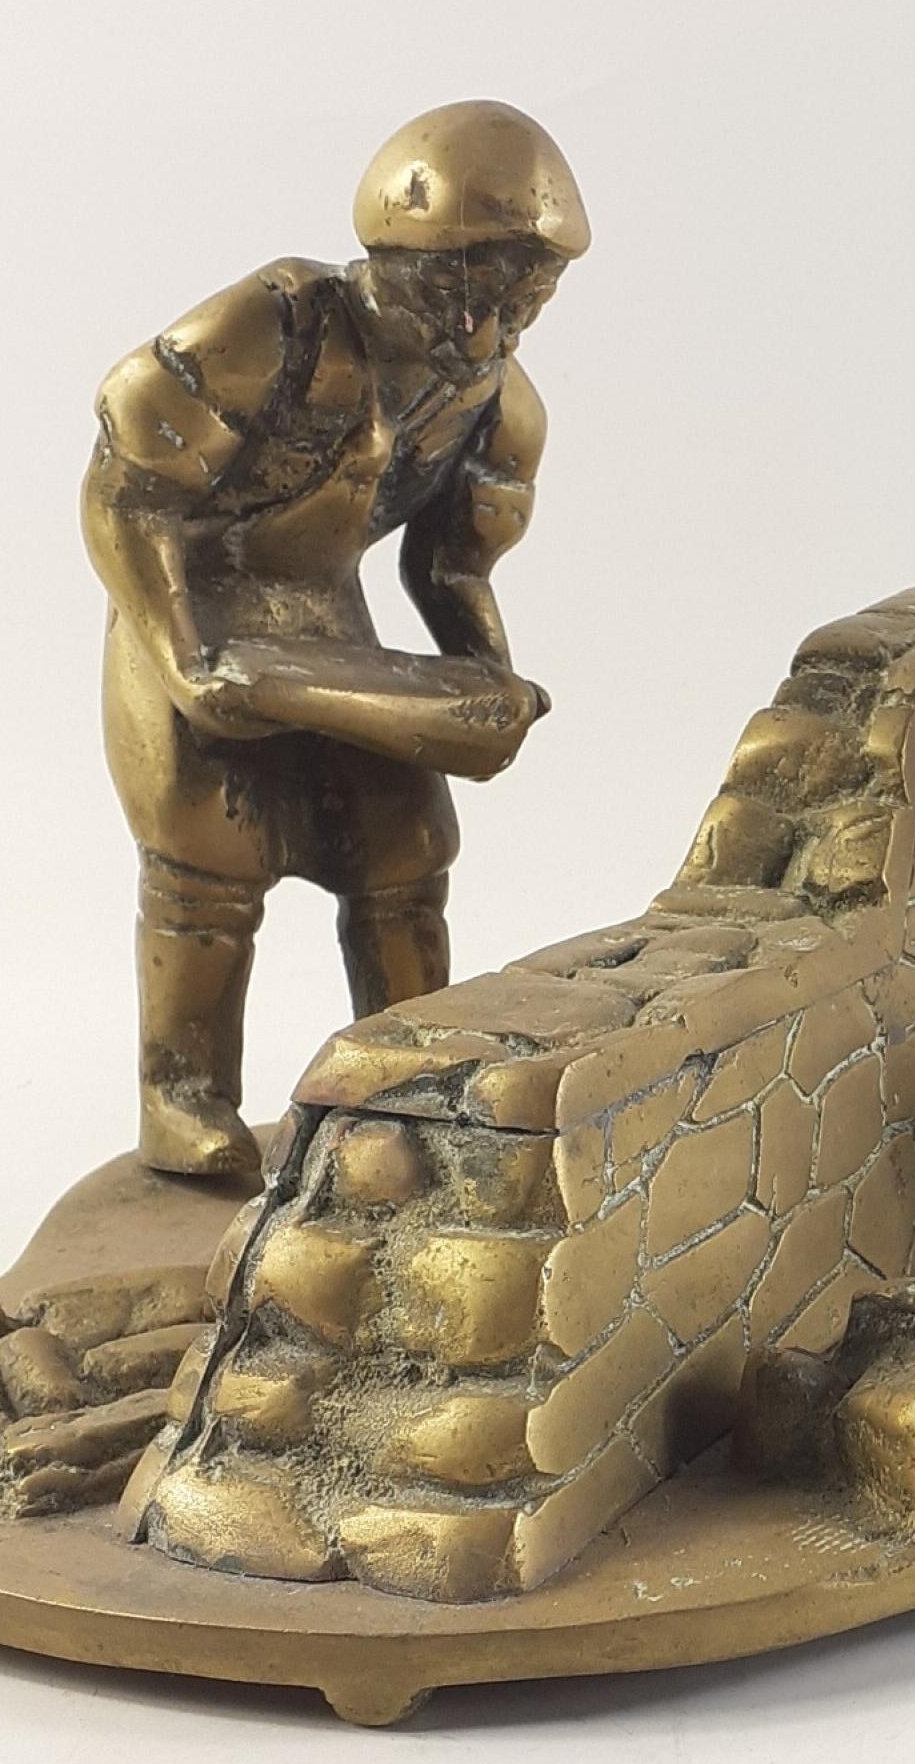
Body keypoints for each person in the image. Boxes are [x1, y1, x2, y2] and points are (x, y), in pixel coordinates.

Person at [81, 99, 588, 1185]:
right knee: (206, 860)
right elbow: (127, 492)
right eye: (459, 292)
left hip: (324, 628)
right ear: (396, 260)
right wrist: (183, 652)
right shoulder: (275, 330)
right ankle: (182, 1095)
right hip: (186, 607)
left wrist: (482, 682)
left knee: (403, 846)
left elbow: (451, 567)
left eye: (521, 301)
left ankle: (410, 1087)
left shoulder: (499, 408)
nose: (483, 329)